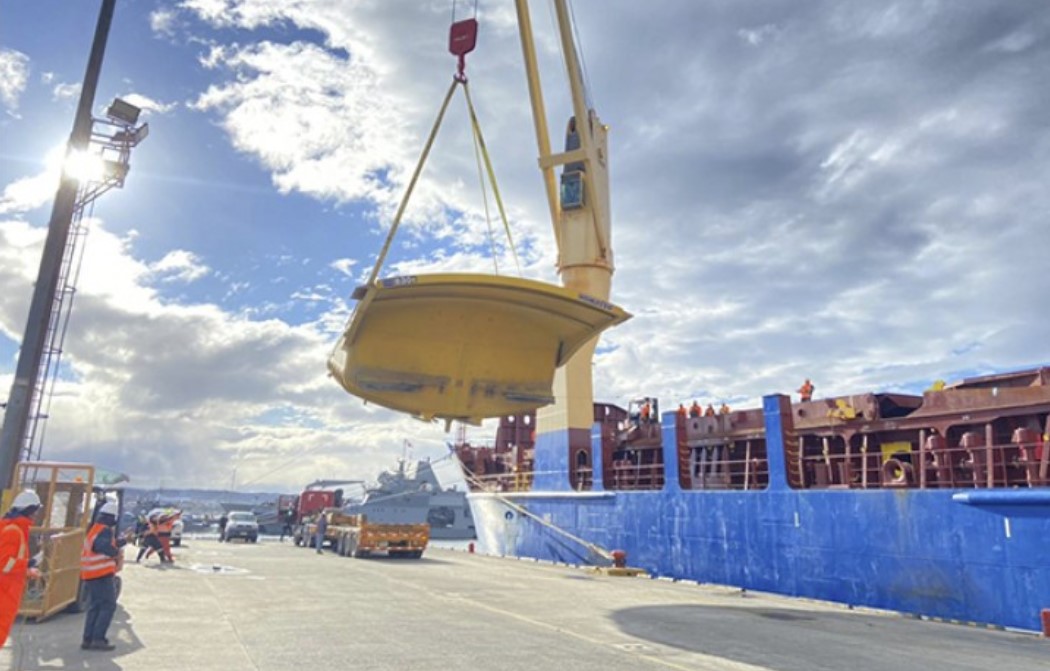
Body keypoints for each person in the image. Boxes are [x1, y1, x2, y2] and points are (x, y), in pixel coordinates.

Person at [81, 500, 126, 651]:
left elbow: (100, 545)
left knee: (95, 606)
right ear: (112, 518)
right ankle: (98, 638)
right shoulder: (105, 530)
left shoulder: (94, 529)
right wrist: (116, 553)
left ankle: (88, 639)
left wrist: (122, 542)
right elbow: (101, 546)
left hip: (90, 573)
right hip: (101, 573)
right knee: (108, 605)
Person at [1, 490, 42, 648]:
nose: (37, 515)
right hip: (5, 592)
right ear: (29, 511)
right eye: (36, 511)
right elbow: (4, 564)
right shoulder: (13, 531)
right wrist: (29, 563)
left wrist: (27, 570)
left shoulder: (12, 528)